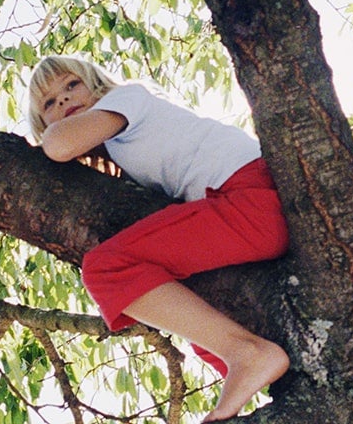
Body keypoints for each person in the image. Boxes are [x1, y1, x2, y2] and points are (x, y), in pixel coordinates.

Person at [28, 56, 290, 422]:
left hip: (250, 197)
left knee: (107, 268)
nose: (64, 100)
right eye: (49, 103)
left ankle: (248, 354)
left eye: (72, 85)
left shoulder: (126, 100)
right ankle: (246, 370)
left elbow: (58, 146)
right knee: (200, 324)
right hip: (252, 210)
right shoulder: (121, 144)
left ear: (96, 83)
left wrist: (47, 134)